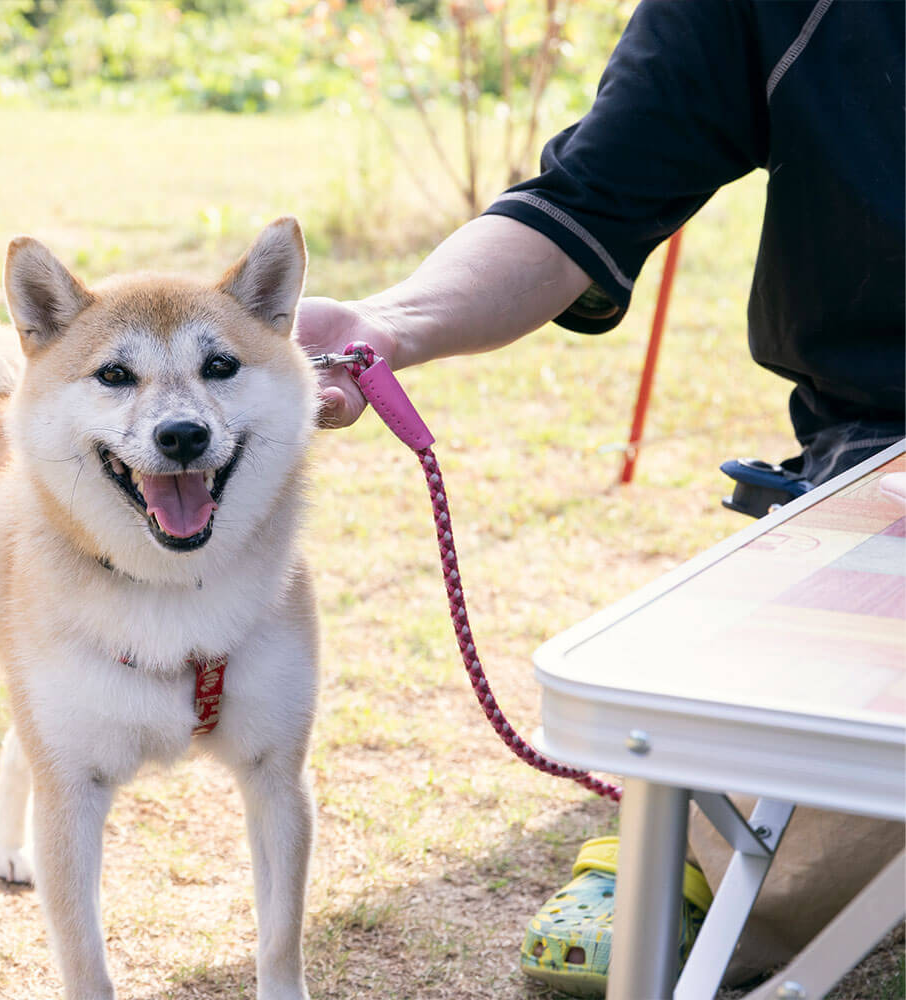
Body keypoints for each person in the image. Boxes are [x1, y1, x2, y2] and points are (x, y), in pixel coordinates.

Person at [297, 0, 904, 993]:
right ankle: (693, 851)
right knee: (814, 804)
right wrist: (389, 321)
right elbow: (585, 201)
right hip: (880, 471)